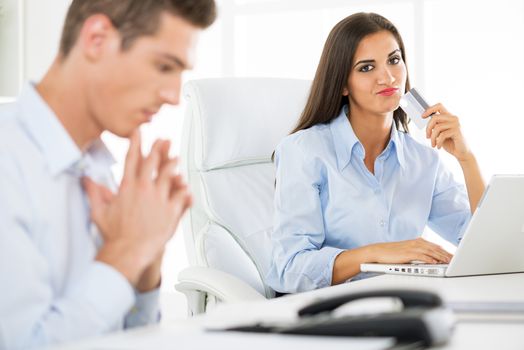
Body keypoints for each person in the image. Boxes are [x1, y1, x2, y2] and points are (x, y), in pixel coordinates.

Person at [0, 0, 216, 348]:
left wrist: (146, 267)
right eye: (163, 66)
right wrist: (126, 251)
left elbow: (123, 338)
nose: (174, 96)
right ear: (97, 39)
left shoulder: (99, 169)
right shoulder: (7, 164)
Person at [266, 12, 485, 293]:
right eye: (367, 68)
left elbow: (481, 244)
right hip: (328, 314)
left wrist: (467, 159)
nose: (388, 77)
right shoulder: (305, 152)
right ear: (343, 84)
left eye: (394, 60)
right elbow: (289, 269)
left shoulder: (422, 161)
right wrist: (375, 255)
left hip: (402, 304)